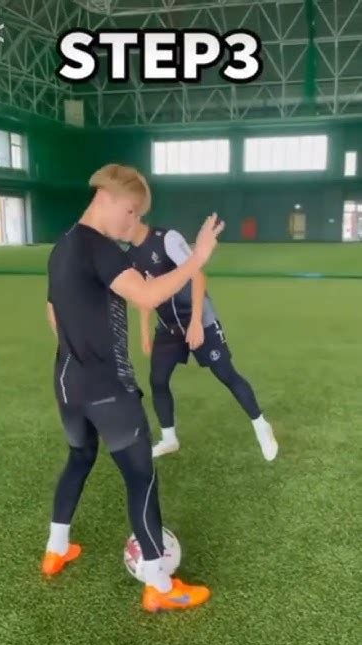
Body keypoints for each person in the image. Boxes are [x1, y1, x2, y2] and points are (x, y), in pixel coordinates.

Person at [42, 164, 224, 613]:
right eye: (130, 212)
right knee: (141, 477)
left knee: (80, 457)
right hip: (108, 388)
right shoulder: (99, 247)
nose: (133, 224)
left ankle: (56, 549)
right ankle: (160, 585)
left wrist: (79, 351)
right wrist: (197, 258)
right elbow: (148, 296)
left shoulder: (63, 247)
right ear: (106, 199)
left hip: (67, 384)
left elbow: (53, 313)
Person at [123, 220, 278, 462]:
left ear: (133, 214)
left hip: (199, 319)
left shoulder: (166, 239)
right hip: (168, 327)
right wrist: (144, 333)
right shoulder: (130, 256)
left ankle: (261, 426)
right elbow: (145, 295)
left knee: (226, 374)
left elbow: (198, 276)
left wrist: (196, 321)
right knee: (158, 380)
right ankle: (169, 439)